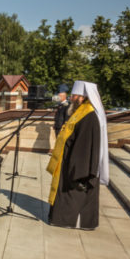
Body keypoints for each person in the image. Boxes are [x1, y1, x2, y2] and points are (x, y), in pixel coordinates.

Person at [46, 80, 109, 230]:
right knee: (64, 194)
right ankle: (60, 219)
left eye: (75, 95)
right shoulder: (81, 112)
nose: (72, 98)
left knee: (75, 194)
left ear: (84, 97)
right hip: (70, 161)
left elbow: (86, 146)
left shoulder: (89, 116)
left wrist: (78, 171)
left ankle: (74, 221)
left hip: (80, 167)